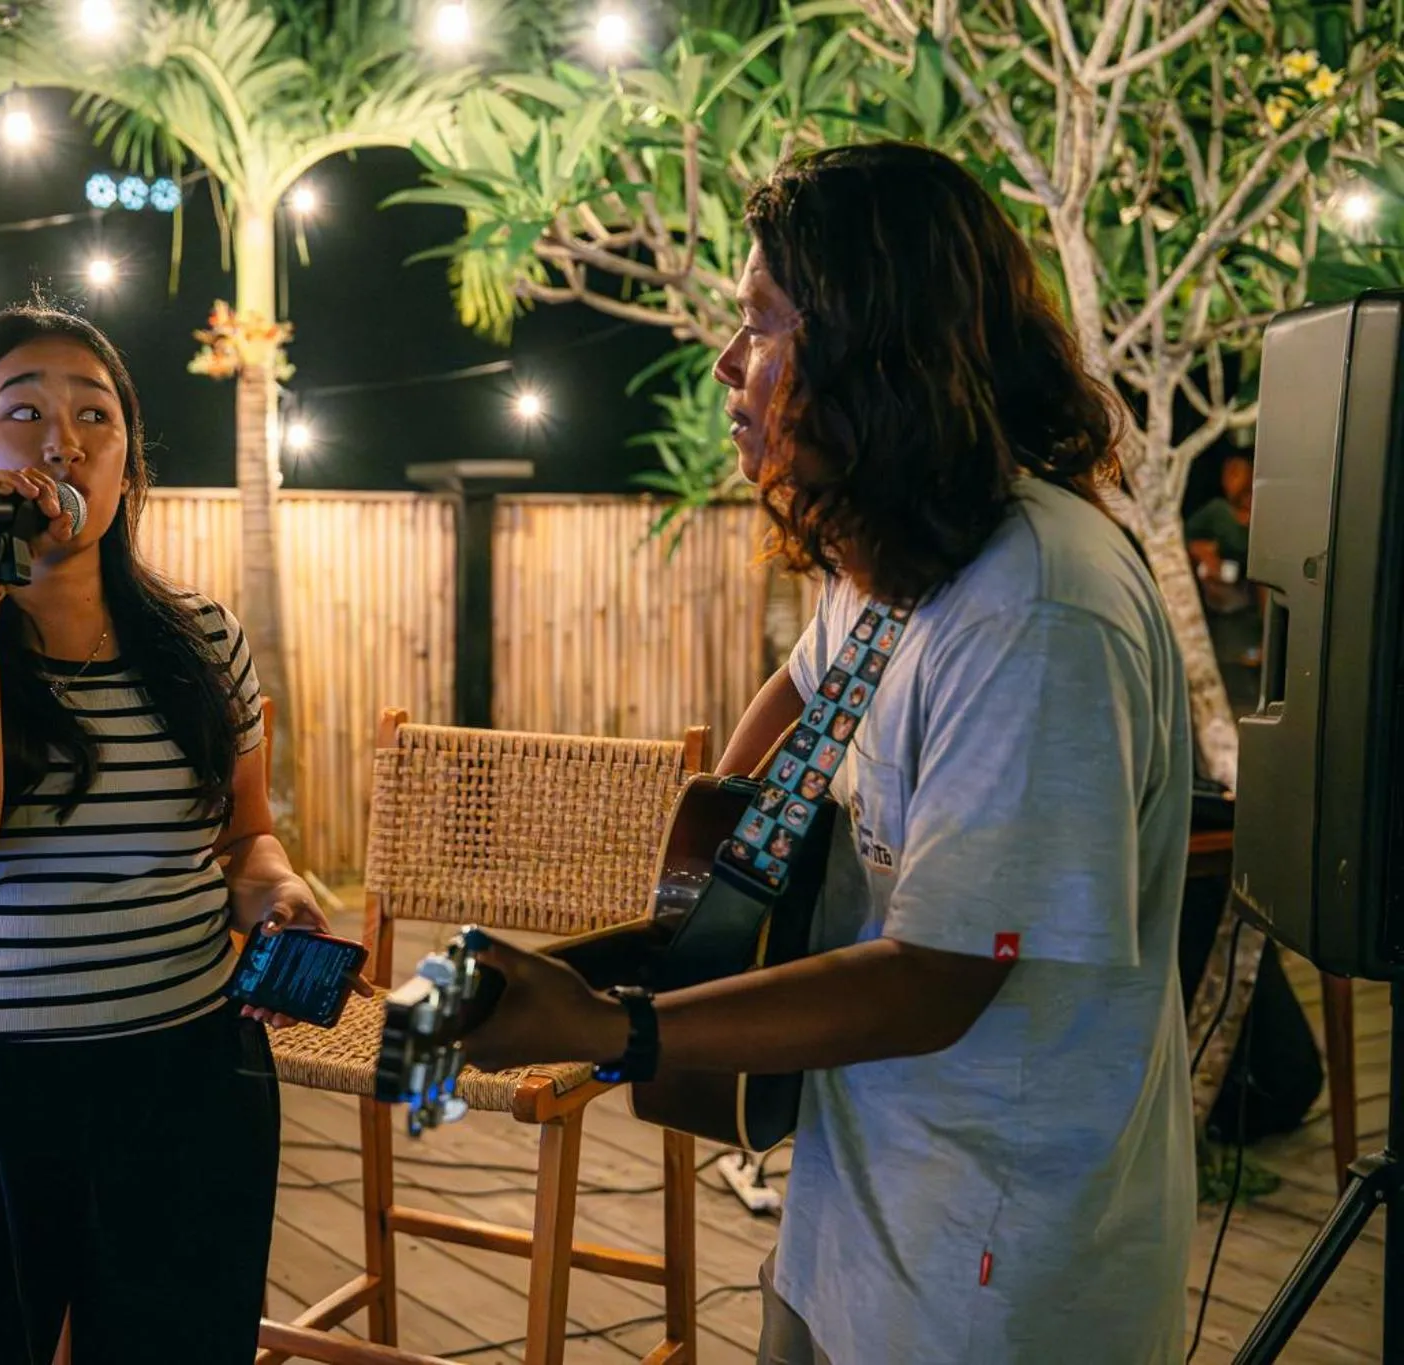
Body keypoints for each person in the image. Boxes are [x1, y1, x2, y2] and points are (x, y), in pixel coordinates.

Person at [458, 144, 1195, 1364]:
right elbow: (803, 690)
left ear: (875, 347)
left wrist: (615, 1026)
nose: (725, 362)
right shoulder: (908, 550)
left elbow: (936, 980)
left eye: (759, 323)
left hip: (994, 1256)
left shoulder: (1035, 607)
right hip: (854, 1192)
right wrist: (707, 880)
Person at [0, 304, 356, 1363]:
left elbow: (244, 838)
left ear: (127, 463)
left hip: (189, 1083)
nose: (63, 442)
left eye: (95, 417)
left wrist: (277, 889)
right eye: (23, 413)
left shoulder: (201, 638)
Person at [1185, 449, 1263, 710]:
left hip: (1253, 607)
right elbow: (1187, 540)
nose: (1230, 479)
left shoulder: (1262, 514)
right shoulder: (1217, 512)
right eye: (1227, 473)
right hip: (1222, 607)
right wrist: (1205, 555)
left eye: (1237, 472)